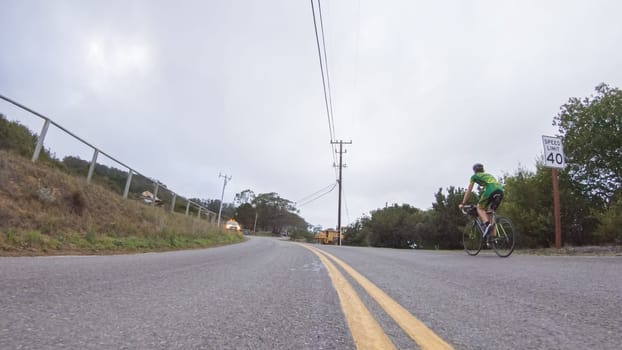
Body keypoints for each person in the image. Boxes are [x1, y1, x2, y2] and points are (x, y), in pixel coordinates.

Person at [459, 163, 504, 238]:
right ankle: (494, 238)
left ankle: (487, 224)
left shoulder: (474, 176)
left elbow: (469, 190)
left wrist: (463, 203)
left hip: (491, 189)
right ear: (483, 170)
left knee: (479, 207)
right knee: (490, 212)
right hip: (500, 190)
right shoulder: (488, 175)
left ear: (474, 171)